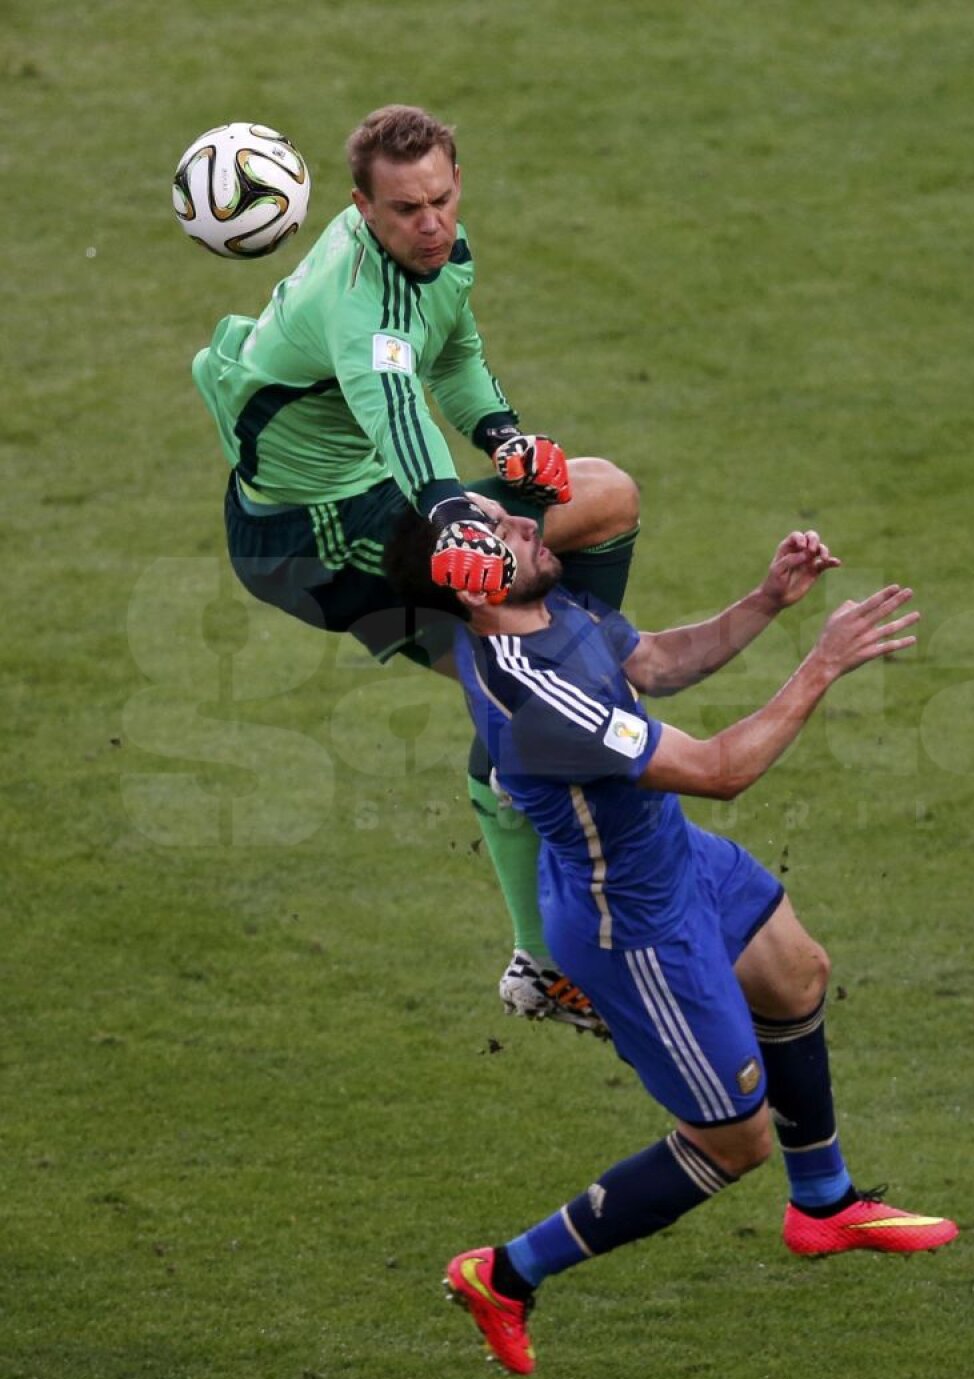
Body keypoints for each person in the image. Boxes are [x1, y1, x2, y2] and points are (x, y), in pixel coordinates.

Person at [384, 505, 959, 1376]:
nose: (528, 520)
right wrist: (823, 662)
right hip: (635, 926)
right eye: (501, 528)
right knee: (733, 1139)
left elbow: (653, 660)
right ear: (473, 577)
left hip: (672, 855)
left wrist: (766, 601)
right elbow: (722, 770)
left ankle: (824, 1203)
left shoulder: (555, 605)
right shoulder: (537, 701)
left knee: (796, 974)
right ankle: (504, 1272)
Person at [190, 105, 639, 1027]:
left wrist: (504, 438)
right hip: (317, 535)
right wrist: (450, 513)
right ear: (361, 206)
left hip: (377, 495)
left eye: (440, 199)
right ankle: (546, 943)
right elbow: (394, 404)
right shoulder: (361, 308)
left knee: (604, 499)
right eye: (404, 211)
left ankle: (591, 678)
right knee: (529, 670)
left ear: (457, 184)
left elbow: (454, 353)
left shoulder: (441, 251)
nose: (429, 223)